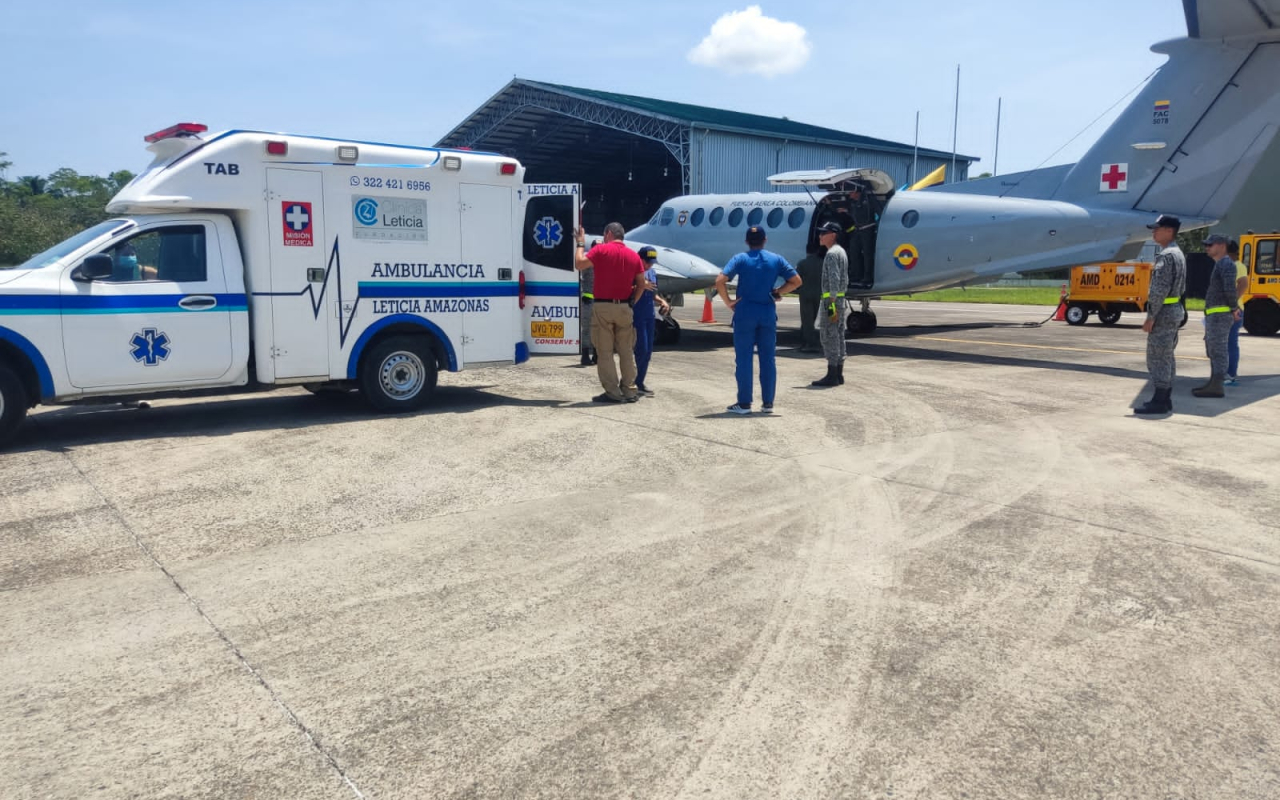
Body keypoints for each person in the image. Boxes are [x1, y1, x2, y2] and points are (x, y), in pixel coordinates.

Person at [715, 225, 803, 415]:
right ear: (765, 240)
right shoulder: (775, 259)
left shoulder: (740, 259)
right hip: (767, 312)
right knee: (768, 359)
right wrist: (778, 292)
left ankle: (745, 403)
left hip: (745, 311)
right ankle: (768, 403)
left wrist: (728, 301)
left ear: (747, 241)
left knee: (744, 359)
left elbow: (720, 280)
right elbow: (796, 281)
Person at [575, 223, 646, 403]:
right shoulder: (633, 256)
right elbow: (642, 283)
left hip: (603, 308)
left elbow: (579, 263)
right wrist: (633, 301)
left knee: (605, 352)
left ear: (608, 234)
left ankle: (613, 393)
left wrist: (580, 244)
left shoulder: (601, 251)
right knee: (626, 351)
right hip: (625, 308)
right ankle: (630, 391)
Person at [1135, 214, 1187, 415]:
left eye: (1157, 228)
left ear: (1169, 231)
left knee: (1157, 356)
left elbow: (1159, 289)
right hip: (1173, 310)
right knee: (1167, 355)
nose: (1153, 232)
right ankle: (1165, 398)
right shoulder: (1178, 254)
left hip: (1163, 312)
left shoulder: (1166, 256)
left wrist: (1151, 315)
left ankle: (1159, 399)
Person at [1193, 234, 1239, 398]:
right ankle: (1213, 382)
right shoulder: (1221, 264)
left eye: (1210, 244)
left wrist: (1234, 308)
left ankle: (1217, 385)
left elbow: (1229, 289)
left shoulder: (1226, 264)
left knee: (1218, 350)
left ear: (1221, 245)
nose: (1207, 247)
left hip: (1220, 315)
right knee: (1213, 349)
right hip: (1215, 315)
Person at [811, 222, 849, 387]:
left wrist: (831, 301)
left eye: (823, 233)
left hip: (832, 301)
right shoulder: (841, 252)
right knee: (839, 335)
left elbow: (834, 277)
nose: (820, 236)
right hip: (840, 300)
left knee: (828, 335)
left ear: (833, 235)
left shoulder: (832, 254)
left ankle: (832, 374)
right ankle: (839, 373)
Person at [633, 245, 670, 396]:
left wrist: (662, 301)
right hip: (637, 314)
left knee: (648, 350)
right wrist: (640, 285)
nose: (649, 265)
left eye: (651, 262)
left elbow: (653, 292)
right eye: (646, 262)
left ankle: (640, 381)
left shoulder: (653, 273)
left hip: (649, 314)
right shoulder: (633, 271)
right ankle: (632, 381)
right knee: (641, 348)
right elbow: (627, 289)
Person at [795, 242, 825, 353]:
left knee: (807, 321)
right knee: (811, 319)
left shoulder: (802, 263)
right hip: (817, 294)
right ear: (817, 251)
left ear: (807, 251)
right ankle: (805, 341)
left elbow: (796, 280)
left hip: (805, 295)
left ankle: (811, 344)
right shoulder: (822, 263)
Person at [1226, 239, 1247, 385]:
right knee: (1226, 344)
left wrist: (1233, 305)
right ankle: (1227, 374)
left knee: (1230, 344)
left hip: (1233, 311)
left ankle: (1230, 375)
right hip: (1227, 310)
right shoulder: (1230, 266)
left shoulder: (1237, 266)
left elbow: (1243, 284)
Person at [578, 252, 597, 367]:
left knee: (598, 329)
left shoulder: (603, 261)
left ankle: (596, 354)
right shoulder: (586, 261)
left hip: (599, 299)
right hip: (588, 299)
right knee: (587, 329)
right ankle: (585, 355)